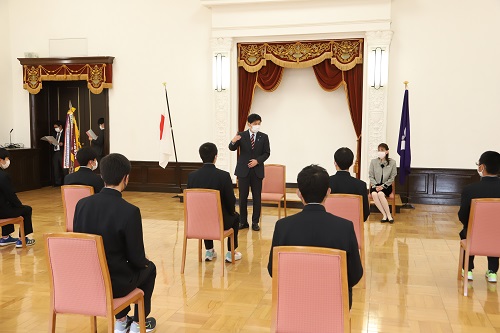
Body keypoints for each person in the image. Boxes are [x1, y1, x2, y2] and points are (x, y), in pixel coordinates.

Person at [73, 153, 157, 333]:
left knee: (120, 266)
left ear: (102, 176)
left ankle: (121, 320)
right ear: (126, 178)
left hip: (86, 280)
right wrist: (144, 260)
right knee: (149, 268)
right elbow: (136, 259)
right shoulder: (130, 211)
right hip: (114, 284)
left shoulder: (81, 204)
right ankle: (138, 323)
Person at [267, 165, 363, 309]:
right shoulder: (345, 228)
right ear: (328, 192)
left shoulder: (283, 226)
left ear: (299, 193)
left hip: (293, 305)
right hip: (333, 306)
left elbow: (273, 270)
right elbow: (355, 275)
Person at [187, 142, 241, 262]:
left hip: (197, 222)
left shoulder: (192, 176)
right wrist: (231, 212)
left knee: (204, 213)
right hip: (219, 223)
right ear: (215, 156)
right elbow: (230, 200)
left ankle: (209, 251)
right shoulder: (223, 176)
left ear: (201, 156)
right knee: (236, 217)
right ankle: (230, 252)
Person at [458, 151, 500, 283]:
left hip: (475, 234)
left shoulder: (470, 189)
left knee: (467, 231)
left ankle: (468, 269)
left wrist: (469, 224)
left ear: (482, 167)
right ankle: (493, 272)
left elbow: (462, 215)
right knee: (495, 232)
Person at [229, 113, 270, 231]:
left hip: (257, 171)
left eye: (259, 124)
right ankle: (243, 221)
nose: (257, 126)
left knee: (257, 197)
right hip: (243, 171)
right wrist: (233, 141)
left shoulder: (264, 137)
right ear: (249, 124)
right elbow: (232, 148)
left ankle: (255, 222)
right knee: (243, 197)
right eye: (255, 124)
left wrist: (257, 161)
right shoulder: (241, 135)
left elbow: (267, 153)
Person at [0, 148, 35, 247]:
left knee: (7, 205)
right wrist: (19, 206)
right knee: (26, 210)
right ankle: (22, 239)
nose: (7, 161)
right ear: (0, 160)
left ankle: (5, 237)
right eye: (6, 159)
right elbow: (10, 195)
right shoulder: (3, 176)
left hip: (2, 208)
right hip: (2, 211)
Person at [329, 147, 370, 221]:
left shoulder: (326, 182)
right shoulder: (361, 185)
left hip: (330, 228)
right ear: (351, 163)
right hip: (352, 229)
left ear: (335, 162)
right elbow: (364, 215)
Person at [369, 143, 397, 223]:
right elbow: (371, 176)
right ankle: (384, 215)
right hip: (375, 185)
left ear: (387, 151)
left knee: (380, 194)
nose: (380, 152)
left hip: (386, 185)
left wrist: (383, 186)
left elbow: (392, 177)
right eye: (379, 150)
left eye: (382, 150)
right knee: (374, 194)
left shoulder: (392, 162)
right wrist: (375, 185)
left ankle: (389, 215)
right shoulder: (373, 162)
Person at [52, 120, 67, 186]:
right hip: (56, 151)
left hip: (62, 152)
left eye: (56, 127)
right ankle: (58, 182)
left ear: (60, 126)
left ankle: (66, 181)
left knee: (64, 168)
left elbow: (67, 142)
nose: (55, 129)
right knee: (56, 168)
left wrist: (62, 143)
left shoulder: (65, 133)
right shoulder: (55, 134)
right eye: (54, 128)